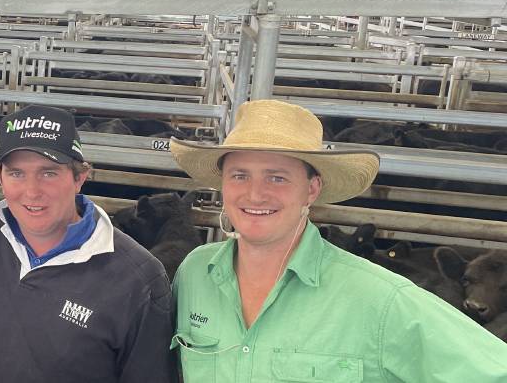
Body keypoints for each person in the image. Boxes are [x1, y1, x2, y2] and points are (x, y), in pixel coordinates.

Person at [170, 99, 507, 381]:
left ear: (312, 189)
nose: (255, 194)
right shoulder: (195, 272)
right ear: (223, 186)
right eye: (239, 176)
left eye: (277, 177)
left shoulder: (381, 297)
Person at [0, 105, 175, 383]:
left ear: (79, 178)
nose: (32, 191)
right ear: (0, 176)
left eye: (48, 173)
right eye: (16, 173)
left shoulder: (139, 280)